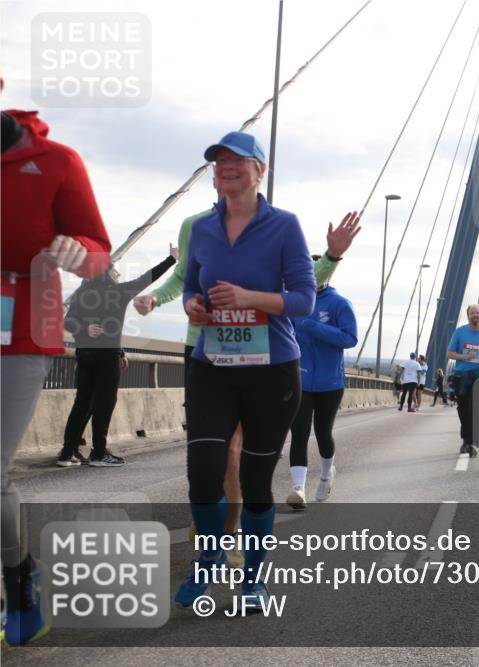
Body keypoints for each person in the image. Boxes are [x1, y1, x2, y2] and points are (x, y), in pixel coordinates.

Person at [134, 202, 359, 552]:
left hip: (251, 353)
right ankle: (210, 512)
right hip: (201, 349)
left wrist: (331, 256)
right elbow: (183, 279)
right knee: (205, 452)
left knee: (233, 450)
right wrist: (155, 298)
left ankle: (228, 533)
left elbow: (301, 283)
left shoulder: (274, 226)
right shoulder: (195, 225)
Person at [174, 131, 316, 613]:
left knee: (255, 482)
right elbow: (192, 286)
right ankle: (210, 558)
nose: (227, 168)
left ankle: (253, 580)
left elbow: (304, 299)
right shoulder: (201, 228)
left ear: (260, 171)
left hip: (271, 371)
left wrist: (249, 298)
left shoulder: (284, 226)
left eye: (238, 160)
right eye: (219, 162)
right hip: (211, 366)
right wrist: (193, 305)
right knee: (203, 475)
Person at [1, 99, 111, 646]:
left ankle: (18, 582)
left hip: (21, 330)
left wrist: (78, 251)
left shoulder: (57, 161)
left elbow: (98, 252)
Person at [58, 249, 177, 467]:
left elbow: (67, 321)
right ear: (107, 273)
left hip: (85, 354)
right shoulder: (118, 291)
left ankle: (67, 453)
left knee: (82, 403)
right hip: (106, 356)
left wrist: (85, 329)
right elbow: (147, 278)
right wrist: (171, 259)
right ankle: (99, 453)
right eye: (115, 272)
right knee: (104, 403)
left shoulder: (82, 293)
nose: (118, 275)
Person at [286, 258, 357, 509]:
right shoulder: (294, 303)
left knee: (323, 432)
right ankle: (298, 489)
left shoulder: (339, 303)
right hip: (300, 380)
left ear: (328, 274)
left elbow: (350, 338)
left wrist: (313, 327)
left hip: (330, 382)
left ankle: (327, 474)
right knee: (299, 433)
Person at [446, 304, 479, 457]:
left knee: (475, 409)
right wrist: (465, 357)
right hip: (462, 375)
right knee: (463, 409)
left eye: (477, 312)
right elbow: (449, 353)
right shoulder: (460, 332)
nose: (475, 315)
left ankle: (474, 444)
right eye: (472, 313)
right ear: (468, 315)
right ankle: (466, 440)